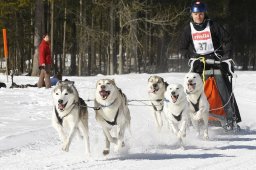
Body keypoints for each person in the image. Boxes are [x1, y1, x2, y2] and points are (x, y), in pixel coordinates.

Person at [179, 1, 241, 130]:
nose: (198, 16)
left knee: (224, 89)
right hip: (199, 66)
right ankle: (193, 120)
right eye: (195, 14)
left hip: (216, 63)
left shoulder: (213, 25)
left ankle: (231, 119)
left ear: (204, 13)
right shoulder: (188, 29)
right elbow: (182, 48)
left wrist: (226, 56)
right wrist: (192, 57)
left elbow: (228, 40)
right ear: (192, 14)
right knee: (194, 92)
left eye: (200, 13)